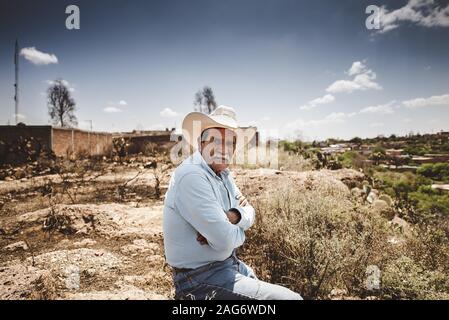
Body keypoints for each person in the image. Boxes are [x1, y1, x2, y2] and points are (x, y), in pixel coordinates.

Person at [163, 105, 302, 300]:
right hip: (198, 279)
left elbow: (250, 211)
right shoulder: (192, 175)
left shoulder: (223, 175)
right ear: (201, 144)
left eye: (231, 143)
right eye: (215, 140)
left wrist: (234, 216)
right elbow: (225, 240)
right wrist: (235, 231)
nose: (224, 148)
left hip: (228, 265)